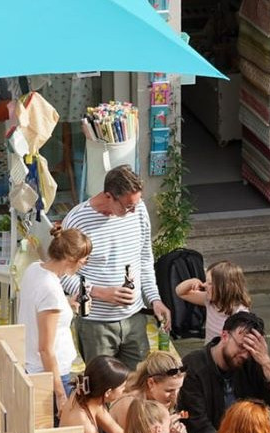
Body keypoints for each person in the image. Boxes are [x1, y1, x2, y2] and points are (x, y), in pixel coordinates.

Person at [60, 165, 171, 369]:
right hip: (95, 324)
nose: (134, 210)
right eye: (128, 206)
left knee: (137, 386)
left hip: (134, 318)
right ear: (109, 196)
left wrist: (154, 299)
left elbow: (145, 259)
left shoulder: (138, 210)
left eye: (137, 203)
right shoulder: (77, 220)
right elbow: (63, 274)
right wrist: (100, 292)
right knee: (102, 391)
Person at [17, 227, 91, 403]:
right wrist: (59, 394)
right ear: (70, 259)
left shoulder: (34, 269)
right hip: (51, 373)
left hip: (32, 365)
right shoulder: (51, 290)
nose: (84, 265)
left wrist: (66, 305)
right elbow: (46, 349)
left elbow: (39, 308)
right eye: (84, 261)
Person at [175, 259, 251, 342]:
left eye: (210, 283)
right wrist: (192, 282)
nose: (204, 285)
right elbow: (180, 292)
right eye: (205, 281)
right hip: (209, 351)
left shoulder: (240, 314)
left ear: (224, 288)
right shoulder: (209, 300)